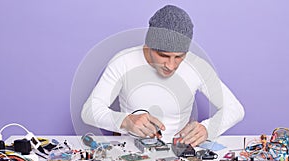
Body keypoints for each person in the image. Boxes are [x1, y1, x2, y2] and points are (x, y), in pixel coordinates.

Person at [81, 5, 245, 147]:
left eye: (179, 56)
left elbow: (235, 109)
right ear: (149, 46)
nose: (171, 66)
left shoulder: (198, 66)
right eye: (164, 55)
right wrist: (125, 121)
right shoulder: (123, 61)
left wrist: (208, 128)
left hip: (178, 154)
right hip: (132, 152)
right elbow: (89, 110)